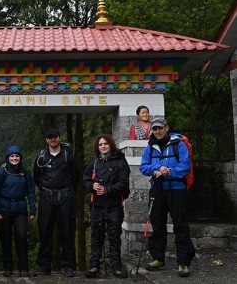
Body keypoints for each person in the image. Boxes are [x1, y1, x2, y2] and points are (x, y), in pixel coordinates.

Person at [139, 118, 195, 278]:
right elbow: (143, 167)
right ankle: (158, 258)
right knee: (157, 224)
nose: (158, 131)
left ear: (167, 128)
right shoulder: (150, 147)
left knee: (180, 225)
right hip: (157, 191)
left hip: (177, 190)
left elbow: (185, 166)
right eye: (155, 129)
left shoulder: (179, 144)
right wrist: (157, 168)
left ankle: (183, 262)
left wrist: (168, 171)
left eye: (160, 128)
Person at [83, 134, 130, 279]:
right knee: (96, 235)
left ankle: (116, 266)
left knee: (114, 235)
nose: (103, 146)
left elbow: (123, 183)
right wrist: (92, 186)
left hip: (114, 205)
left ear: (111, 145)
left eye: (105, 144)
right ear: (97, 147)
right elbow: (84, 180)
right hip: (97, 205)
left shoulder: (121, 162)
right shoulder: (94, 163)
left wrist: (107, 190)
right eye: (100, 144)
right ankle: (94, 266)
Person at [33, 128, 79, 277]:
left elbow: (76, 176)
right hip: (46, 197)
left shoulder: (68, 156)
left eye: (55, 137)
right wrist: (47, 189)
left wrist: (64, 190)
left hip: (65, 197)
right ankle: (44, 266)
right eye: (50, 137)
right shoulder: (41, 157)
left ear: (60, 138)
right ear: (46, 140)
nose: (53, 140)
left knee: (67, 231)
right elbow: (37, 177)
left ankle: (69, 266)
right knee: (45, 231)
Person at [0, 146, 36, 278]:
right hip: (4, 209)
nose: (14, 158)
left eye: (17, 156)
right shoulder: (2, 172)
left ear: (20, 158)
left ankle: (23, 267)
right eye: (12, 156)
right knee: (5, 238)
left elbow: (31, 192)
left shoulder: (25, 172)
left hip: (20, 209)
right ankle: (7, 266)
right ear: (8, 158)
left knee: (22, 237)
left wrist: (32, 210)